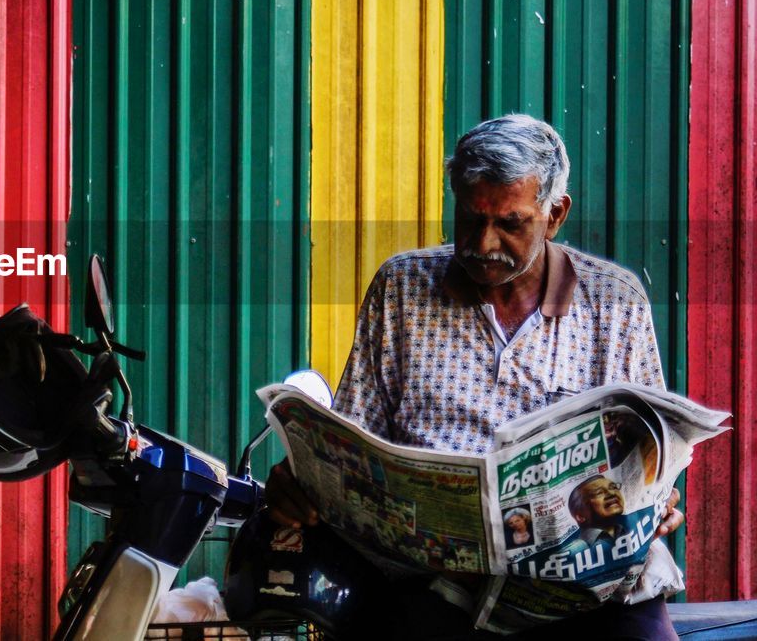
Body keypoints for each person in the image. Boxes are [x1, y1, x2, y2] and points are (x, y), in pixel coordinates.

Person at [265, 115, 683, 639]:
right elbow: (351, 440)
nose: (484, 242)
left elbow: (653, 459)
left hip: (584, 590)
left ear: (555, 215)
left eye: (510, 223)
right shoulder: (402, 288)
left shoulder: (616, 302)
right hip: (431, 583)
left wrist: (657, 501)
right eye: (469, 218)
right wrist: (304, 481)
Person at [568, 475, 629, 545]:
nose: (612, 493)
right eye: (599, 493)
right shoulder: (577, 549)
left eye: (613, 487)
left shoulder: (624, 530)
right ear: (580, 516)